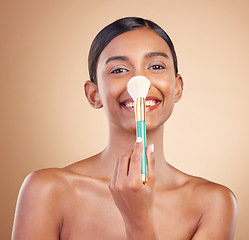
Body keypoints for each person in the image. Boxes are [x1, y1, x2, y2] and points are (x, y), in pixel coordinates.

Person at [12, 17, 237, 240]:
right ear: (94, 94)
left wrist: (138, 220)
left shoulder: (214, 203)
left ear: (177, 88)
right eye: (119, 70)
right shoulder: (47, 191)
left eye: (156, 66)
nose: (140, 80)